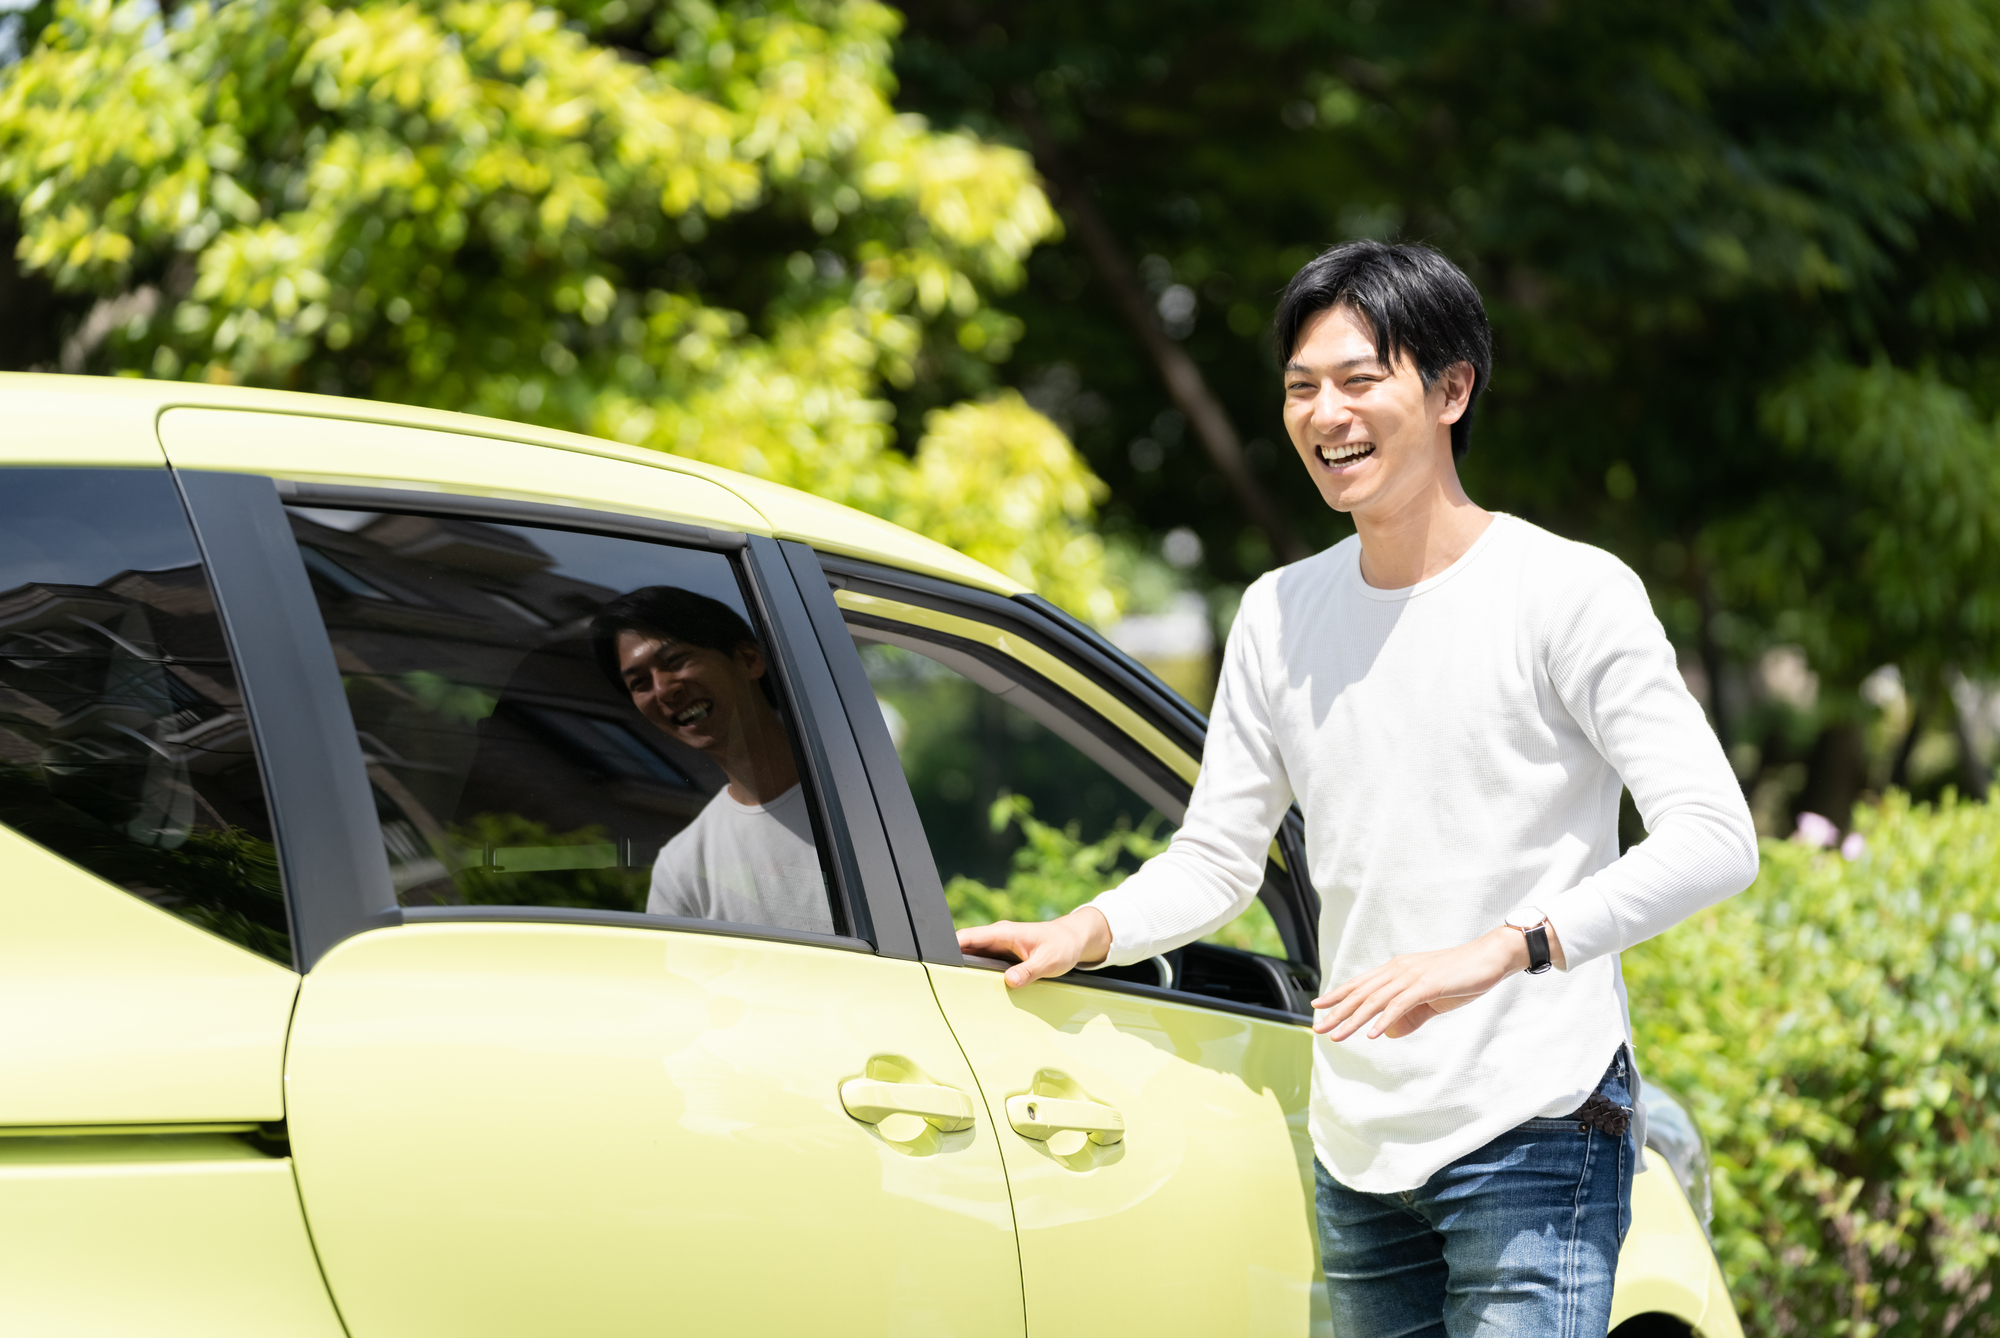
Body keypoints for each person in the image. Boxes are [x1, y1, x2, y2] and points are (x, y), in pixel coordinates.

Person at [958, 241, 1758, 1337]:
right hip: (1360, 1142)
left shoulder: (1565, 592)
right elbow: (1217, 857)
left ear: (1449, 388)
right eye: (1299, 388)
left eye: (1355, 378)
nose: (1323, 413)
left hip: (1537, 1122)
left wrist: (1507, 947)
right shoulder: (1279, 614)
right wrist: (1087, 929)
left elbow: (1716, 836)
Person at [590, 587, 832, 935]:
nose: (663, 690)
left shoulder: (878, 783)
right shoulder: (683, 869)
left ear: (749, 659)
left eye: (675, 661)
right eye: (640, 683)